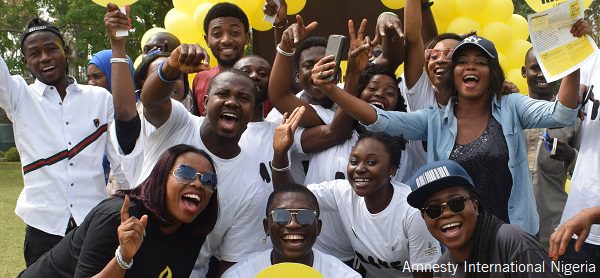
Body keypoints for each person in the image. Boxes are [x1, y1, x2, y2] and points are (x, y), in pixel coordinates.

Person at [310, 33, 583, 235]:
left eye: (481, 62)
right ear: (454, 74)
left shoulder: (511, 106)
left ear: (492, 73)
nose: (471, 67)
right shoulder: (434, 119)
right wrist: (333, 90)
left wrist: (572, 58)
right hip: (460, 241)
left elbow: (562, 114)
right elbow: (380, 120)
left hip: (514, 237)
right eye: (462, 62)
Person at [104, 5, 272, 276]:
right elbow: (151, 101)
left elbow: (230, 260)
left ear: (253, 109)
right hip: (123, 257)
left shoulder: (252, 184)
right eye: (223, 94)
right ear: (205, 102)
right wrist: (170, 68)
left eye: (243, 98)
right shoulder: (179, 121)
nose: (232, 101)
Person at [0, 17, 124, 266]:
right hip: (42, 228)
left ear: (65, 51)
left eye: (51, 48)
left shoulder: (99, 98)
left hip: (94, 223)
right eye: (34, 53)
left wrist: (128, 200)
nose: (44, 57)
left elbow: (120, 160)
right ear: (25, 61)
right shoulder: (19, 97)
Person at [271, 107, 441, 278]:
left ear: (392, 169)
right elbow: (288, 197)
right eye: (354, 161)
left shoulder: (412, 212)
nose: (359, 169)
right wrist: (280, 153)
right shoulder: (342, 192)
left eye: (371, 162)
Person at [19, 144, 219, 277]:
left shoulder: (192, 231)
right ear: (161, 177)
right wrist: (123, 258)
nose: (198, 184)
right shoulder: (118, 216)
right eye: (185, 173)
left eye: (208, 180)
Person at [406, 160, 561, 277]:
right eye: (433, 210)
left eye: (456, 203)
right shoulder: (443, 268)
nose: (446, 213)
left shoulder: (513, 243)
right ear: (424, 218)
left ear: (475, 205)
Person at [222, 186, 361, 277]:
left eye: (305, 216)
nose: (293, 224)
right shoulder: (238, 275)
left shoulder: (344, 276)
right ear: (266, 226)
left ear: (318, 227)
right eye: (280, 216)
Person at [521, 47, 581, 250]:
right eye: (535, 68)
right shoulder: (509, 111)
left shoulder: (573, 117)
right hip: (513, 230)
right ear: (523, 72)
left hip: (555, 229)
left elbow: (587, 170)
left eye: (549, 67)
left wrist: (571, 155)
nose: (542, 73)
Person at [556, 46, 600, 277]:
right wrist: (575, 93)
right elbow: (560, 117)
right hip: (577, 230)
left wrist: (593, 214)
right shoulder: (592, 61)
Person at [192, 2, 249, 115]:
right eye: (217, 34)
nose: (226, 40)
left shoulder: (262, 79)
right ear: (207, 40)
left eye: (234, 33)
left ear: (247, 38)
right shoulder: (200, 79)